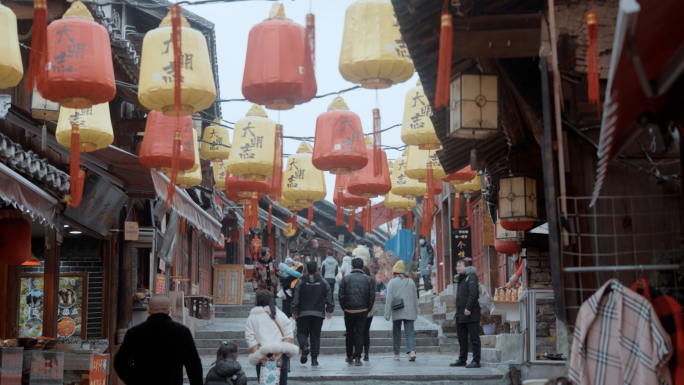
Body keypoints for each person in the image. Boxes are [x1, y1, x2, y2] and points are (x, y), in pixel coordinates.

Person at [114, 295, 202, 385]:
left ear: (148, 310)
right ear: (169, 310)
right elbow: (194, 365)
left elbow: (119, 362)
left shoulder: (135, 332)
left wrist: (133, 380)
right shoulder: (182, 332)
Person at [245, 291, 298, 385]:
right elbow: (289, 334)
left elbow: (250, 338)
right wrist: (280, 353)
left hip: (263, 355)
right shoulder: (281, 315)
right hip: (280, 355)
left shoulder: (252, 317)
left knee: (265, 382)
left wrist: (260, 356)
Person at [290, 261, 334, 367]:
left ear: (307, 270)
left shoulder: (300, 281)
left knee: (301, 333)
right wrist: (330, 309)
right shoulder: (323, 281)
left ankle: (304, 347)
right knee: (315, 336)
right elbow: (329, 295)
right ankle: (314, 359)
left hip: (303, 313)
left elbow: (295, 297)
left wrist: (294, 310)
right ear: (317, 270)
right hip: (318, 313)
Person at [338, 258, 375, 366]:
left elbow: (341, 296)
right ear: (362, 267)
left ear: (352, 267)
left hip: (349, 310)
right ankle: (358, 358)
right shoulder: (368, 279)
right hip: (362, 310)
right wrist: (368, 308)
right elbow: (371, 296)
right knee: (359, 334)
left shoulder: (346, 279)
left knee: (349, 334)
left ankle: (349, 357)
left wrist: (344, 307)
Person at [384, 261, 419, 362]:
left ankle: (397, 354)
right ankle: (412, 351)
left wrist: (387, 314)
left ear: (394, 272)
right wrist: (416, 312)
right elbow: (415, 298)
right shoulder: (410, 281)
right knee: (409, 333)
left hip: (397, 310)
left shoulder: (392, 282)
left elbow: (389, 299)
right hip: (409, 311)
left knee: (396, 333)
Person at [450, 260, 482, 368]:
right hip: (460, 314)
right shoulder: (461, 279)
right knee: (462, 339)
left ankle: (476, 361)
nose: (458, 268)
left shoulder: (471, 277)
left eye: (460, 266)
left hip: (471, 314)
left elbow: (473, 294)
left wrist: (468, 307)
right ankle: (462, 359)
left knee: (474, 339)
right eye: (457, 266)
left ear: (466, 267)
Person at [361, 266, 378, 361]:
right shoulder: (372, 281)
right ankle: (366, 353)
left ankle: (358, 352)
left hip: (360, 308)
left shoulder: (361, 281)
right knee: (366, 332)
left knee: (359, 331)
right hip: (370, 308)